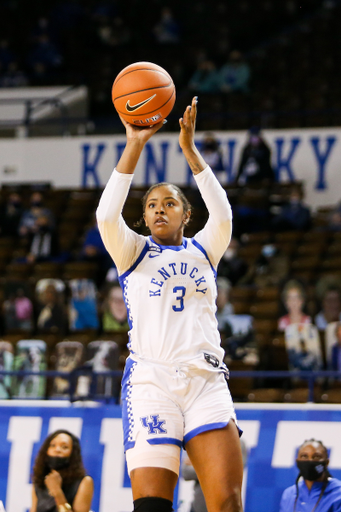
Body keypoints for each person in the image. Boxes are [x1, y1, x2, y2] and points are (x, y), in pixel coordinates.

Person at [96, 97, 244, 512]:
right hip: (152, 383)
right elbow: (107, 217)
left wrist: (191, 152)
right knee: (151, 507)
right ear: (144, 218)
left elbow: (225, 216)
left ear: (186, 214)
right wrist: (135, 144)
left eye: (170, 204)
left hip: (205, 382)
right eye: (152, 206)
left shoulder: (205, 248)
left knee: (229, 503)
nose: (160, 209)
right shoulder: (132, 251)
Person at [30, 429, 93, 512]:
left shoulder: (84, 481)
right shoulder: (41, 480)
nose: (57, 450)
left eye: (64, 447)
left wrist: (57, 492)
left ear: (73, 453)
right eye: (52, 445)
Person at [279, 438, 341, 512]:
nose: (310, 461)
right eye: (304, 456)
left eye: (316, 457)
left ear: (326, 462)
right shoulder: (289, 494)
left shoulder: (338, 493)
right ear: (297, 461)